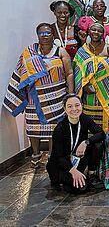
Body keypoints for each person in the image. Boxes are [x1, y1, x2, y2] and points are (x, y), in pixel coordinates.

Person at [3, 23, 73, 167]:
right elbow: (20, 72)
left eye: (47, 33)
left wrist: (71, 94)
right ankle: (36, 153)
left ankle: (52, 155)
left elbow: (69, 73)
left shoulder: (60, 52)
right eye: (41, 33)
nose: (45, 35)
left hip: (56, 97)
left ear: (53, 34)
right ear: (37, 35)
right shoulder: (29, 52)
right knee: (33, 127)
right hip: (34, 98)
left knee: (55, 127)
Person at [46, 94, 105, 193]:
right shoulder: (60, 128)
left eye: (77, 105)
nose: (74, 109)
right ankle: (62, 180)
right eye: (70, 106)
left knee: (97, 144)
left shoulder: (85, 119)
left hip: (77, 158)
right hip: (62, 163)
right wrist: (73, 171)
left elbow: (101, 133)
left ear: (82, 105)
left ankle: (91, 174)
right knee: (81, 188)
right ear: (65, 109)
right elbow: (59, 157)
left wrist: (86, 142)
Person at [73, 22, 109, 130]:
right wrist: (83, 87)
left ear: (103, 34)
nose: (96, 32)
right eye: (93, 30)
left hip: (108, 93)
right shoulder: (82, 51)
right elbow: (77, 74)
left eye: (99, 31)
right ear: (89, 32)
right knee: (90, 127)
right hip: (89, 96)